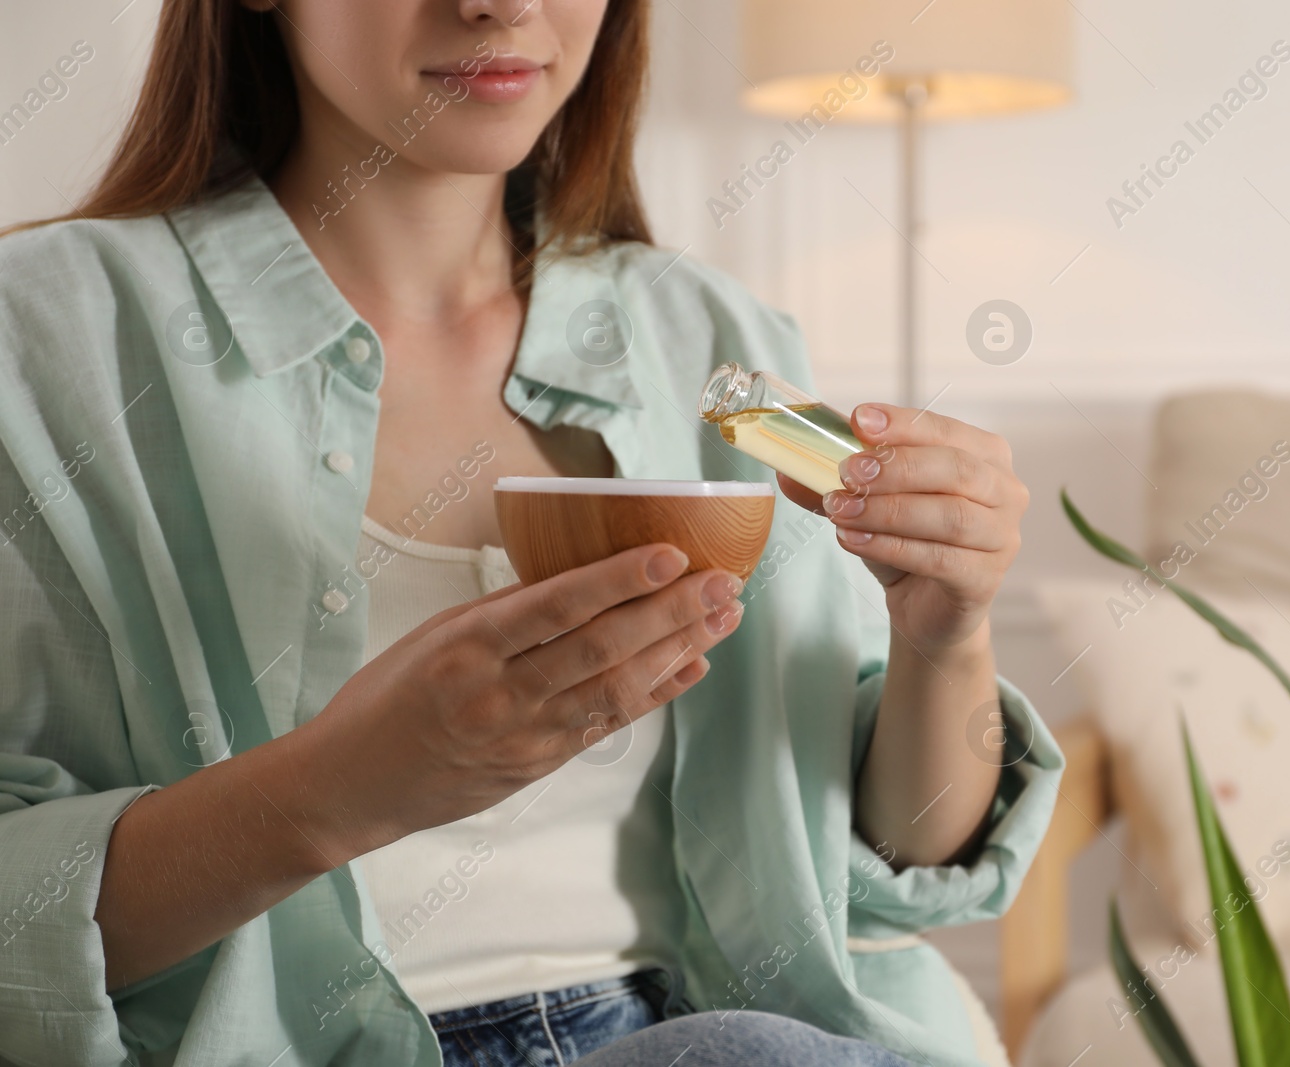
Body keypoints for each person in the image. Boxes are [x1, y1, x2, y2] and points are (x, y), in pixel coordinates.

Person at [0, 2, 1061, 1065]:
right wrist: (336, 789)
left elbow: (893, 862)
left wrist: (943, 633)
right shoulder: (43, 344)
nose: (499, 6)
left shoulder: (708, 336)